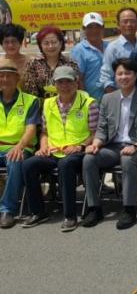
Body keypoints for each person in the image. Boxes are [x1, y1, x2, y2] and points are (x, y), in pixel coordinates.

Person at [81, 58, 137, 230]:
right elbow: (102, 127)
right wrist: (96, 144)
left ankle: (129, 209)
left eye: (127, 73)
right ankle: (94, 208)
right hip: (113, 147)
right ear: (115, 76)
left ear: (135, 75)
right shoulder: (108, 98)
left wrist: (136, 146)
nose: (123, 77)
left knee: (128, 160)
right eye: (120, 73)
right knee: (89, 158)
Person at [21, 66, 98, 232]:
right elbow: (44, 132)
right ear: (54, 84)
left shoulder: (89, 103)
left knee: (65, 164)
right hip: (54, 150)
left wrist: (80, 146)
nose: (64, 85)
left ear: (76, 82)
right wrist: (43, 147)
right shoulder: (48, 103)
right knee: (28, 164)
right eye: (60, 82)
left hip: (78, 151)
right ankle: (38, 212)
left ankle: (70, 216)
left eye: (68, 81)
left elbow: (95, 133)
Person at [0, 59, 39, 229]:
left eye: (9, 76)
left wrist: (19, 146)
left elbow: (31, 129)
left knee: (15, 159)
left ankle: (7, 210)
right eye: (1, 76)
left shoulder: (31, 100)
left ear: (17, 78)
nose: (4, 79)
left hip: (20, 146)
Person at [23, 26, 81, 100]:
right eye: (46, 43)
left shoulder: (71, 64)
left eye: (54, 42)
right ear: (40, 45)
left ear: (60, 43)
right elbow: (31, 92)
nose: (50, 46)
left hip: (67, 105)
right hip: (40, 106)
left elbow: (75, 89)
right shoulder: (33, 64)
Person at [99, 8, 137, 93]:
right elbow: (106, 77)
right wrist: (116, 97)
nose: (129, 24)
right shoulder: (113, 48)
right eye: (125, 21)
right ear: (118, 25)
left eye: (132, 21)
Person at [70, 12, 109, 101]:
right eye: (90, 27)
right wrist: (86, 101)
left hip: (111, 98)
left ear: (103, 28)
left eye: (97, 26)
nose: (94, 30)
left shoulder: (110, 47)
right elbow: (78, 79)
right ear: (84, 29)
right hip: (91, 100)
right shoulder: (78, 50)